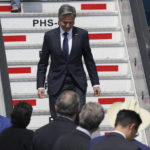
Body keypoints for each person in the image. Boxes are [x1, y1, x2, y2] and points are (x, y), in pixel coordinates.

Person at [37, 4, 100, 119]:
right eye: (65, 22)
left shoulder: (82, 35)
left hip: (77, 83)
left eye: (71, 23)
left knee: (79, 117)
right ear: (59, 20)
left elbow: (89, 60)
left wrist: (95, 83)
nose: (68, 25)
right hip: (57, 82)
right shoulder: (49, 36)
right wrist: (40, 86)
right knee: (57, 118)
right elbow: (43, 63)